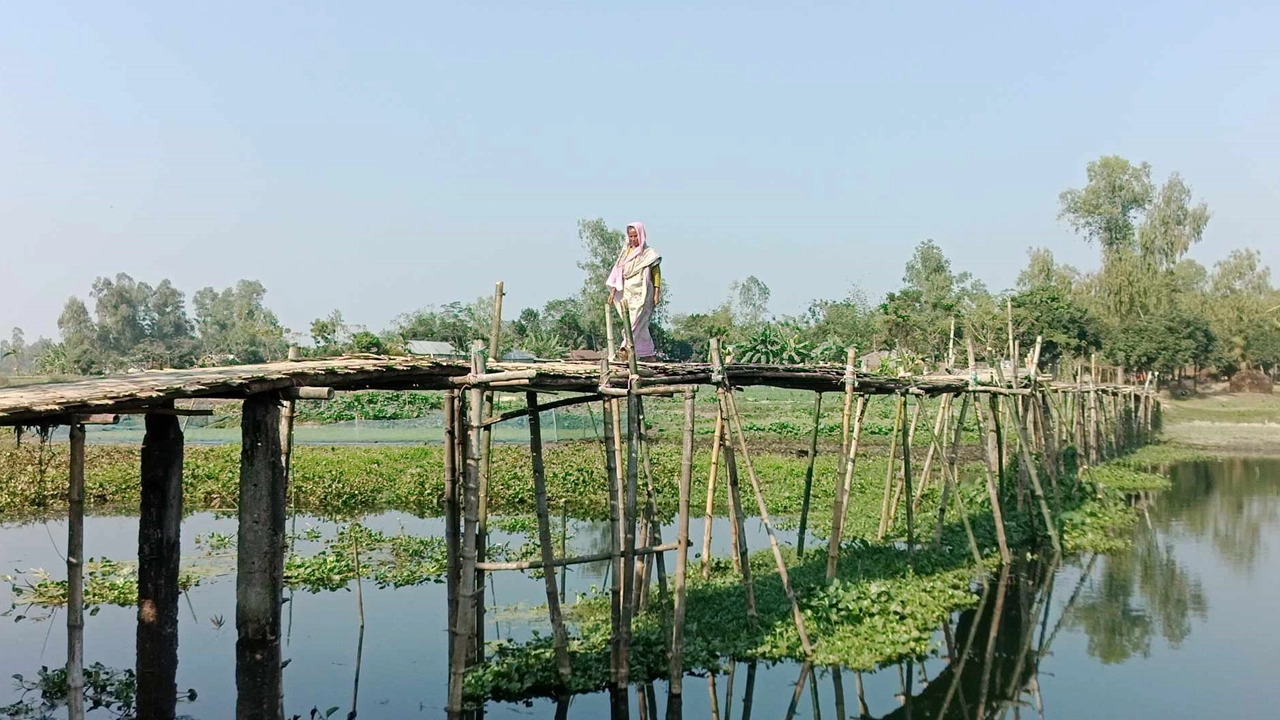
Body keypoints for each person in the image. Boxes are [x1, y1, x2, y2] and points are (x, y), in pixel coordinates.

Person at [606, 221, 662, 361]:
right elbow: (618, 272)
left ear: (641, 235)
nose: (633, 239)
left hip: (643, 292)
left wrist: (656, 293)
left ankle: (625, 348)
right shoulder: (625, 253)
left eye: (635, 236)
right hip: (628, 292)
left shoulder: (649, 254)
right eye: (630, 236)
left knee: (635, 320)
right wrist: (613, 292)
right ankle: (648, 353)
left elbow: (656, 274)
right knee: (639, 324)